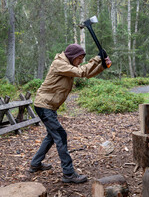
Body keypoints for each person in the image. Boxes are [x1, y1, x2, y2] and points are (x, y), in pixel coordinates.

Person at [29, 43, 112, 183]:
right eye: (79, 59)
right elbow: (81, 72)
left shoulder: (67, 64)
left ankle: (35, 163)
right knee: (61, 135)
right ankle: (68, 173)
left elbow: (87, 74)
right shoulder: (59, 64)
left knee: (51, 136)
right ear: (73, 57)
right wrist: (98, 58)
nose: (80, 62)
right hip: (44, 106)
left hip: (48, 106)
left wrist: (102, 66)